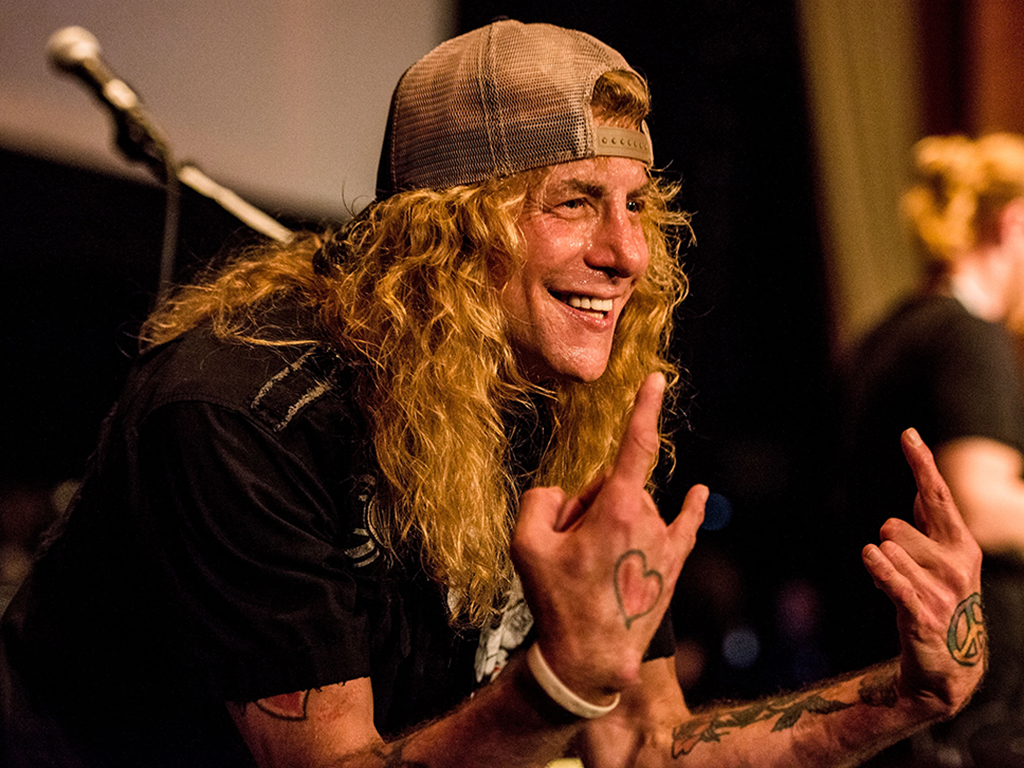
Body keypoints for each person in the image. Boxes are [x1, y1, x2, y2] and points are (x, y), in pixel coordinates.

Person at [0, 20, 984, 768]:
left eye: (637, 206)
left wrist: (901, 696)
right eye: (573, 202)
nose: (628, 255)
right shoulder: (240, 407)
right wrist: (553, 687)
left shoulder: (565, 398)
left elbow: (645, 742)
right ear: (444, 231)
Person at [831, 133, 1024, 766]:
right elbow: (984, 506)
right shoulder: (969, 337)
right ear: (1012, 223)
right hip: (969, 721)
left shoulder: (888, 331)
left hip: (896, 686)